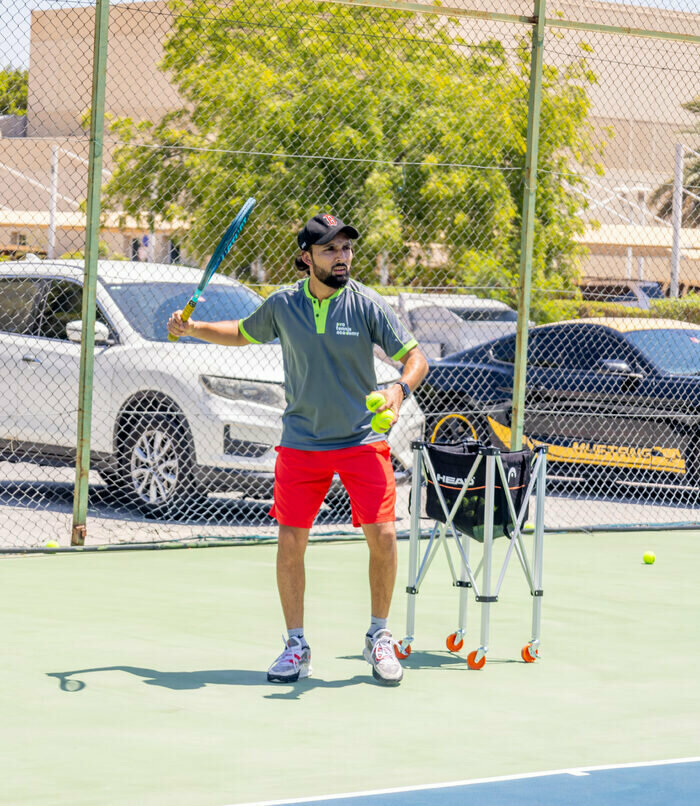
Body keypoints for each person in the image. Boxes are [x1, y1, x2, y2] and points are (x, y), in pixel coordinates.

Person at [167, 213, 428, 686]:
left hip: (361, 440)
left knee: (385, 537)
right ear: (307, 258)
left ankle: (378, 636)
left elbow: (416, 358)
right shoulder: (283, 305)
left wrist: (398, 391)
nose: (343, 256)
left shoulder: (366, 304)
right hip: (302, 441)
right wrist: (193, 328)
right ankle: (296, 645)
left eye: (347, 248)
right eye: (330, 249)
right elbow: (242, 332)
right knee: (290, 541)